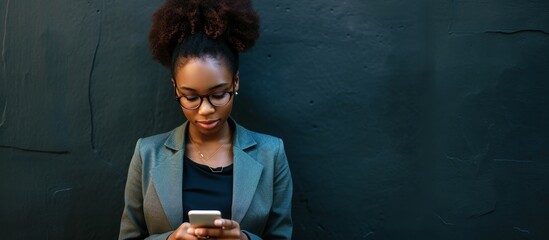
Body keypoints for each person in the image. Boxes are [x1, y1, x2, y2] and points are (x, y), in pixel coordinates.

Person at [118, 0, 293, 239]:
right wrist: (170, 239)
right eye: (191, 97)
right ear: (175, 88)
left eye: (218, 95)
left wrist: (243, 239)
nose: (205, 110)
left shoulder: (272, 154)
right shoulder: (147, 153)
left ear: (236, 82)